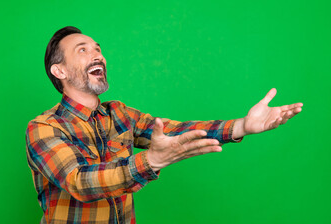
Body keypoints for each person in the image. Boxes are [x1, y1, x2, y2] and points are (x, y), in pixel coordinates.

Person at [25, 26, 303, 224]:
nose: (97, 55)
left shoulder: (119, 113)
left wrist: (242, 126)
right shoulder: (44, 128)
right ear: (59, 71)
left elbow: (174, 130)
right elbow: (79, 182)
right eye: (83, 50)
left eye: (98, 49)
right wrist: (150, 160)